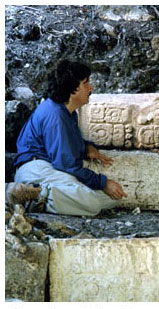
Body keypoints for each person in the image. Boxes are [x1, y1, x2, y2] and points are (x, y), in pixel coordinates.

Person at [12, 60, 127, 216]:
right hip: (36, 169)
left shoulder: (67, 112)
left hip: (50, 168)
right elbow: (66, 164)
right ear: (72, 89)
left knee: (113, 199)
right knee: (92, 204)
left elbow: (67, 145)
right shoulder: (56, 115)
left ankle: (46, 198)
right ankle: (36, 194)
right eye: (85, 84)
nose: (90, 88)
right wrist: (103, 182)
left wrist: (87, 147)